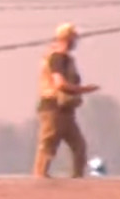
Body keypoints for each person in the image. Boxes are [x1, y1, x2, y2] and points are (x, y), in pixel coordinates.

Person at [33, 23, 100, 178]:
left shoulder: (65, 59)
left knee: (79, 147)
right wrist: (84, 90)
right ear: (67, 39)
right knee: (48, 146)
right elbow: (60, 83)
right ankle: (39, 178)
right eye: (74, 38)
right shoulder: (57, 58)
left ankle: (77, 178)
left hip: (66, 110)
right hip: (53, 109)